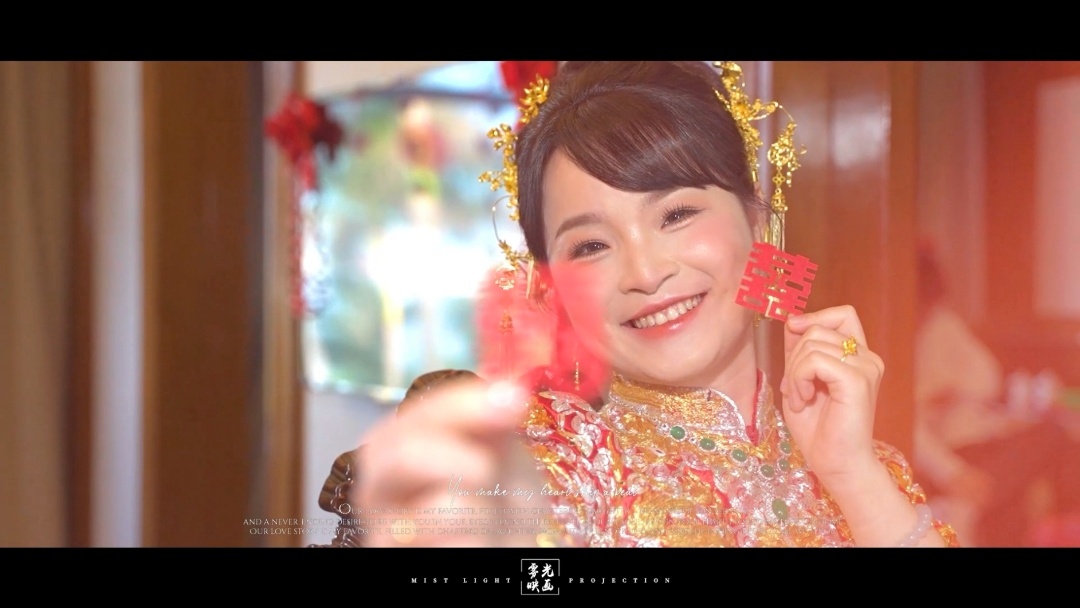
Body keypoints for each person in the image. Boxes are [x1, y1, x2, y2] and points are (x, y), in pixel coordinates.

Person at [348, 61, 958, 548]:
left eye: (677, 214)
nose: (645, 273)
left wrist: (853, 475)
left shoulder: (870, 465)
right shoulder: (563, 466)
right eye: (591, 246)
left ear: (758, 224)